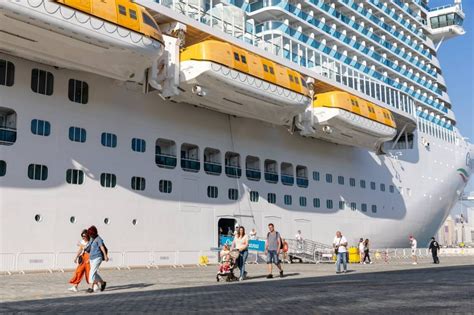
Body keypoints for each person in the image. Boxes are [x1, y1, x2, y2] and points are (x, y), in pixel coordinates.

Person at [87, 226, 109, 293]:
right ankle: (102, 283)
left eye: (91, 234)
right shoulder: (91, 238)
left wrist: (105, 256)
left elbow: (102, 247)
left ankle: (91, 287)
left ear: (94, 233)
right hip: (91, 258)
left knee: (91, 272)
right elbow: (90, 247)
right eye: (89, 234)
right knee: (94, 273)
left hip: (98, 257)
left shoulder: (98, 239)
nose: (90, 235)